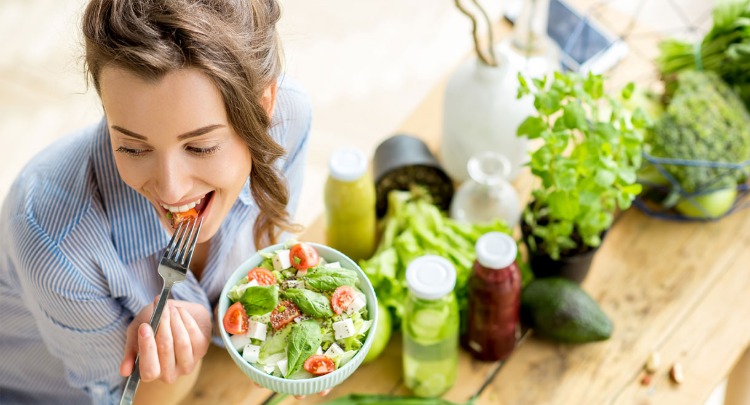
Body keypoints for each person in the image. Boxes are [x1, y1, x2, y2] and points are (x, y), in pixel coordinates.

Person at [0, 0, 312, 403]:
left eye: (200, 147)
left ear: (265, 106)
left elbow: (268, 265)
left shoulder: (290, 119)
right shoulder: (52, 239)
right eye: (131, 148)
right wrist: (166, 361)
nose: (170, 189)